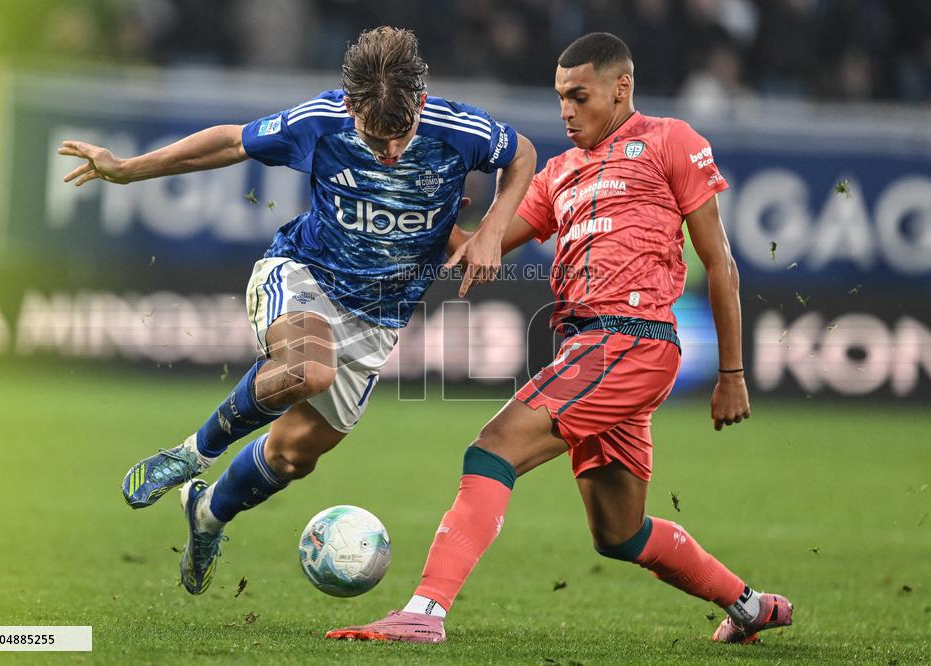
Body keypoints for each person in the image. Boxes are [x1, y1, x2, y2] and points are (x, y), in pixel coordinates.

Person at [327, 32, 792, 646]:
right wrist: (430, 211)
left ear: (620, 88)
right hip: (590, 349)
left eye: (579, 96)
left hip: (630, 338)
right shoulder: (559, 174)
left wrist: (732, 374)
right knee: (619, 533)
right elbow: (477, 250)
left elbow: (721, 261)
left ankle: (425, 612)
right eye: (559, 99)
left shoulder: (671, 141)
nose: (567, 111)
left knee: (491, 449)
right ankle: (750, 605)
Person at [57, 26, 536, 595]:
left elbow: (523, 153)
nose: (389, 152)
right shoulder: (320, 121)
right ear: (351, 105)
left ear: (422, 103)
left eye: (400, 135)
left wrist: (491, 230)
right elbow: (232, 142)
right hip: (302, 274)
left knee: (291, 458)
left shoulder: (461, 129)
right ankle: (191, 454)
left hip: (379, 317)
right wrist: (129, 168)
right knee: (309, 368)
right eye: (374, 137)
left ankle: (207, 514)